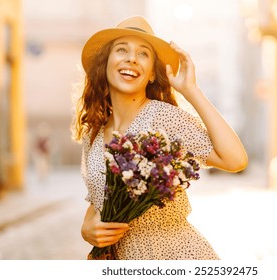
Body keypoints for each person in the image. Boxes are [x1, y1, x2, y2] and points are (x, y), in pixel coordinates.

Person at [72, 16, 248, 260]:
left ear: (152, 75)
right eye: (122, 50)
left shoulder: (164, 118)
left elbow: (235, 160)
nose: (132, 58)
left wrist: (190, 90)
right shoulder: (95, 131)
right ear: (105, 64)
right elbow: (98, 202)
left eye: (143, 54)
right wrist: (87, 228)